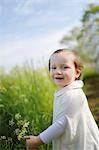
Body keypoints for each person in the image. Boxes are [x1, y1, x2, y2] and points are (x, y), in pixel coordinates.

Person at [24, 49, 99, 150]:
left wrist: (38, 140)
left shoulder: (73, 94)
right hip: (69, 139)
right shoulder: (64, 91)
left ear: (77, 73)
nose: (58, 71)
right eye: (53, 67)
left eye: (65, 67)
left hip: (83, 144)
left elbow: (62, 123)